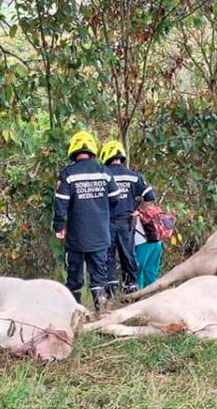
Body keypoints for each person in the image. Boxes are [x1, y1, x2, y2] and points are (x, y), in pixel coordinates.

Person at [54, 131, 121, 312]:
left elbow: (61, 203)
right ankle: (102, 314)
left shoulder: (68, 173)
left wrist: (59, 226)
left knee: (74, 278)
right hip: (100, 236)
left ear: (73, 150)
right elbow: (115, 199)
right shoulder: (105, 172)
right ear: (92, 149)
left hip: (76, 238)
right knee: (99, 277)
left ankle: (75, 314)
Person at [99, 140, 156, 299]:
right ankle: (131, 291)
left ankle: (110, 293)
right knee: (128, 256)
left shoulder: (103, 175)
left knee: (107, 257)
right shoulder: (134, 176)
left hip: (106, 222)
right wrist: (138, 211)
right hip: (127, 222)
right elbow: (150, 197)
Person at [134, 212, 162, 289]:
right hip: (156, 240)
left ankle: (138, 293)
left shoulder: (135, 210)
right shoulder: (150, 207)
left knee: (137, 271)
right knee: (151, 271)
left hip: (142, 242)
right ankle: (150, 294)